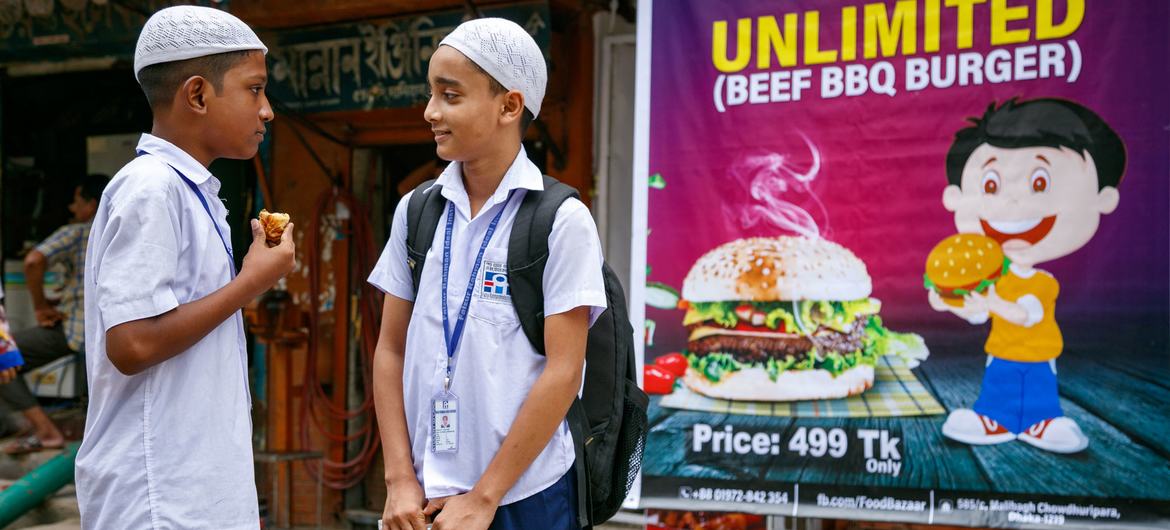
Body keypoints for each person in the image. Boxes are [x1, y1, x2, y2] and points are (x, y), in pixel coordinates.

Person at [369, 18, 607, 530]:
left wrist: (485, 496)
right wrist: (398, 479)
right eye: (431, 94)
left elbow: (564, 371)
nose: (430, 112)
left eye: (450, 96)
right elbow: (390, 349)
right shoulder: (417, 210)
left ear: (509, 106)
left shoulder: (560, 220)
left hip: (526, 495)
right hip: (423, 495)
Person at [76, 6, 295, 529]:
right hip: (158, 497)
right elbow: (132, 345)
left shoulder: (192, 192)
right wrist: (250, 282)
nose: (267, 111)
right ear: (197, 94)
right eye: (254, 89)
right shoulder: (151, 187)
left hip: (194, 492)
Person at [931, 98, 1126, 454]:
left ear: (1103, 198)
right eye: (991, 186)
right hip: (999, 357)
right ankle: (992, 419)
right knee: (997, 392)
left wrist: (992, 302)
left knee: (1038, 396)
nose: (1014, 204)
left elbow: (1027, 314)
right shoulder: (992, 277)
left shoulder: (1042, 282)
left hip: (1037, 359)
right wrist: (947, 302)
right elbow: (977, 313)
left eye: (1039, 182)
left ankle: (1043, 423)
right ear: (955, 198)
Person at [0, 174, 107, 454]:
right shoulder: (128, 229)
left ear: (91, 205)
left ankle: (46, 432)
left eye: (76, 201)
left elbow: (34, 260)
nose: (72, 208)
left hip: (77, 333)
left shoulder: (79, 231)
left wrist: (40, 306)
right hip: (117, 332)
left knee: (3, 356)